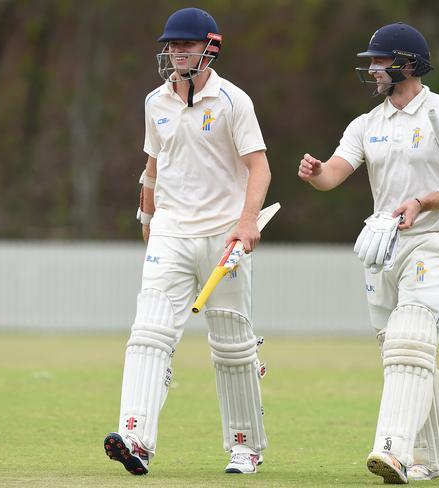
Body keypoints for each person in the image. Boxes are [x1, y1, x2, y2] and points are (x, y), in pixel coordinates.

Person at [298, 22, 439, 484]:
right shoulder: (367, 124)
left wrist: (425, 201)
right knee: (404, 356)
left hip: (432, 239)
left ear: (408, 65)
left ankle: (392, 452)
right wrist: (317, 172)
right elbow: (336, 173)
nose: (373, 69)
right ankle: (432, 454)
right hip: (383, 245)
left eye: (380, 62)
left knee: (409, 345)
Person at [104, 7, 271, 476]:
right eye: (171, 45)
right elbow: (154, 164)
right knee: (149, 332)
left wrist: (247, 222)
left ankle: (245, 446)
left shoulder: (233, 101)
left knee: (233, 346)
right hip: (171, 233)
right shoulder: (155, 102)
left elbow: (259, 166)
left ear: (209, 48)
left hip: (223, 234)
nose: (175, 52)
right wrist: (147, 214)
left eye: (185, 45)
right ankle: (135, 437)